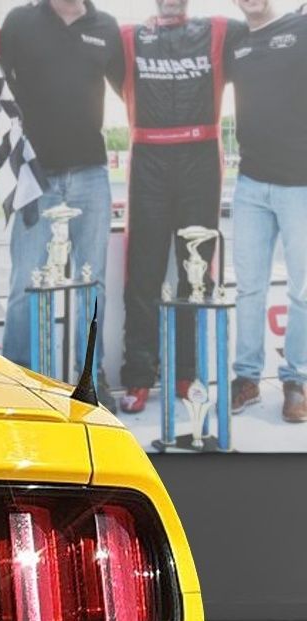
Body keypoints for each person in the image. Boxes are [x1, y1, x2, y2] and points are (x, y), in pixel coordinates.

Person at [116, 0, 238, 413]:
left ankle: (188, 373)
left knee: (196, 276)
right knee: (143, 276)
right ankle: (138, 376)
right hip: (148, 160)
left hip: (201, 162)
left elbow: (268, 34)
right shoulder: (128, 37)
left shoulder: (220, 30)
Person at [0, 0, 123, 388]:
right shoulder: (20, 20)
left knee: (92, 281)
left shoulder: (106, 26)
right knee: (26, 280)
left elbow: (133, 90)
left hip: (90, 171)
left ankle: (91, 374)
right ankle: (18, 376)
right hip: (35, 173)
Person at [227, 0, 307, 422]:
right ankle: (247, 379)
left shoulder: (301, 26)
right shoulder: (234, 40)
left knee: (303, 290)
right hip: (250, 184)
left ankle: (297, 380)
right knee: (249, 289)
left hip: (302, 185)